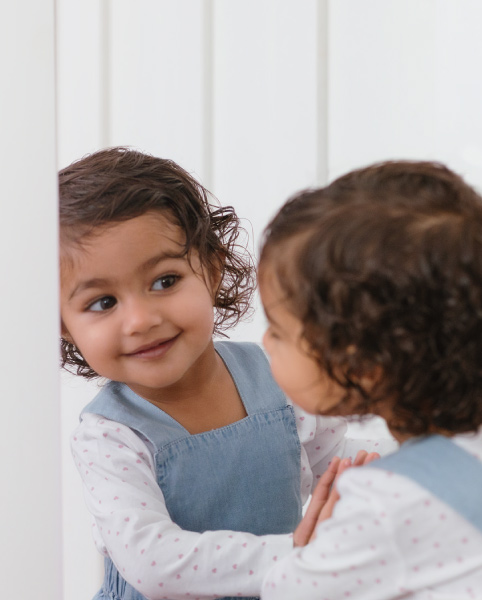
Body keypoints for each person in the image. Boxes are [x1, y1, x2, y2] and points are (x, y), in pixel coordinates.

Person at [257, 160, 482, 599]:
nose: (263, 342)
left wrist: (306, 548)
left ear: (363, 366)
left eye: (278, 331)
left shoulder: (381, 501)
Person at [59, 147, 394, 600]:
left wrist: (419, 453)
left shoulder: (274, 376)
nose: (139, 320)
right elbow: (152, 561)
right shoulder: (108, 436)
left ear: (212, 270)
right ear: (64, 325)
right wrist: (295, 552)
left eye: (165, 281)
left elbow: (332, 459)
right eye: (103, 303)